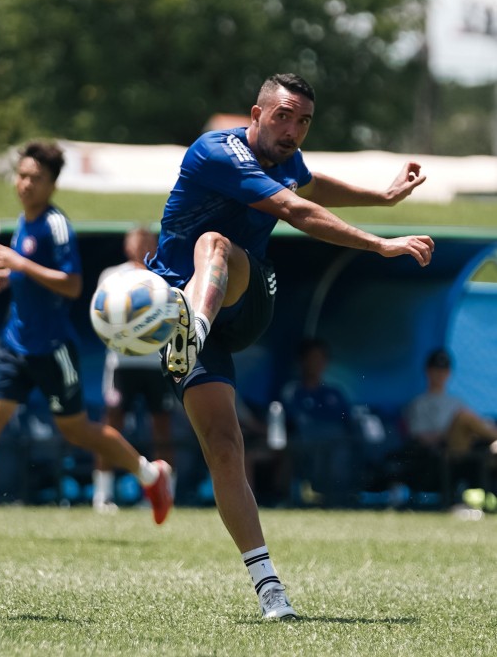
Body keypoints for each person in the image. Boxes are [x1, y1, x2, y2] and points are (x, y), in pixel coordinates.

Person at [145, 73, 434, 620]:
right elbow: (299, 209)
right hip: (179, 308)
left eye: (303, 120)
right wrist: (379, 243)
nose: (293, 129)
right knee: (224, 448)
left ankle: (194, 330)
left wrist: (383, 199)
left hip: (246, 300)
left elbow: (308, 189)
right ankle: (269, 587)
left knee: (216, 244)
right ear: (255, 113)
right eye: (283, 115)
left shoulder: (282, 160)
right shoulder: (216, 151)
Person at [0, 142, 173, 535]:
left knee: (76, 430)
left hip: (53, 349)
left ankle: (151, 475)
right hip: (16, 346)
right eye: (22, 175)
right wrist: (8, 278)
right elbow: (33, 276)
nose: (26, 184)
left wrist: (18, 264)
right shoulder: (25, 220)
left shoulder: (54, 224)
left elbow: (72, 284)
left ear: (52, 185)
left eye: (36, 178)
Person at [93, 227, 178, 512]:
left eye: (148, 241)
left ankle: (165, 493)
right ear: (127, 245)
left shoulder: (164, 275)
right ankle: (103, 496)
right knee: (112, 427)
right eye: (137, 241)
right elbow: (100, 315)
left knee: (161, 430)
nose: (143, 246)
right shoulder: (112, 276)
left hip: (158, 365)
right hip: (122, 365)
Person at [399, 348, 497, 492]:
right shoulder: (419, 403)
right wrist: (448, 432)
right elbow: (420, 437)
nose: (440, 374)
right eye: (436, 370)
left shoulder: (455, 401)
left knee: (483, 438)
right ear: (428, 371)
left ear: (449, 373)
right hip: (442, 452)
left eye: (444, 370)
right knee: (464, 418)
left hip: (466, 448)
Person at [279, 337, 358, 507]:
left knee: (343, 448)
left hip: (336, 444)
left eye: (321, 358)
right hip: (304, 443)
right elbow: (293, 422)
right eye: (312, 358)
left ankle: (340, 499)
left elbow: (348, 422)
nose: (316, 363)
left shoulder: (335, 393)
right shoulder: (292, 391)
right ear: (302, 361)